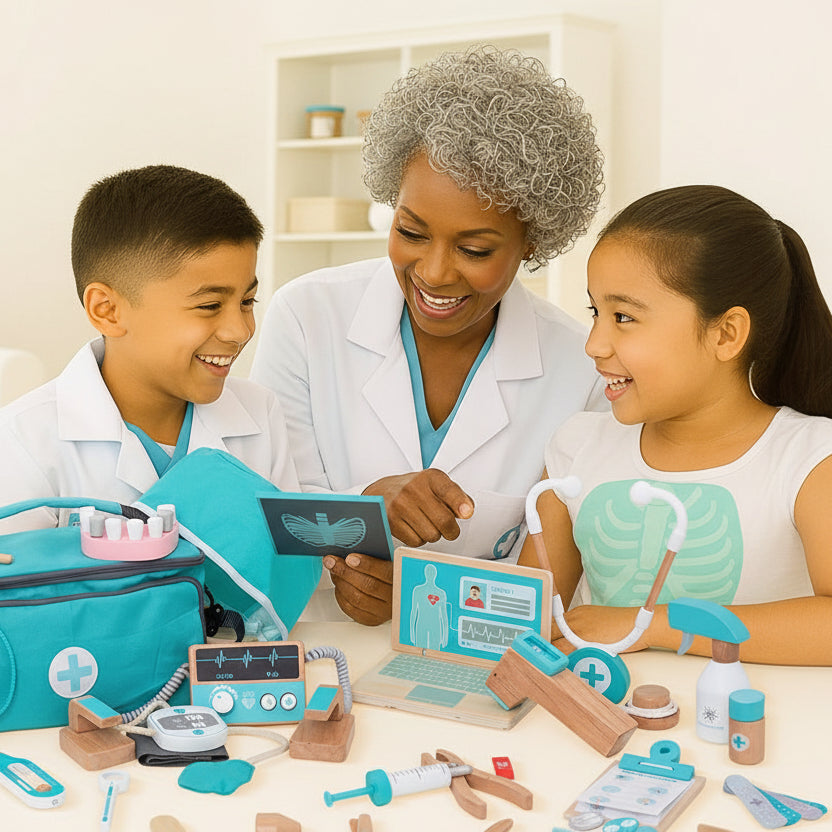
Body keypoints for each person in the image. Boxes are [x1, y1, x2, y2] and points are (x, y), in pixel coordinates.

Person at [251, 47, 606, 624]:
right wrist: (362, 516)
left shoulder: (581, 367)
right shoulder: (306, 316)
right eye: (411, 232)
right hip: (320, 642)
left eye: (475, 250)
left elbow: (556, 579)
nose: (435, 273)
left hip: (482, 655)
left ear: (533, 242)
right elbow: (269, 511)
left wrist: (420, 593)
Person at [519, 184, 832, 666]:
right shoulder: (576, 448)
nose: (594, 344)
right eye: (595, 312)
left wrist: (652, 625)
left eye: (624, 317)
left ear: (725, 334)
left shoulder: (811, 461)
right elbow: (527, 619)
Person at [0, 164, 299, 532]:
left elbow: (288, 559)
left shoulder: (259, 413)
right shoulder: (20, 443)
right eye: (209, 305)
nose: (239, 330)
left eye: (247, 301)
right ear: (107, 310)